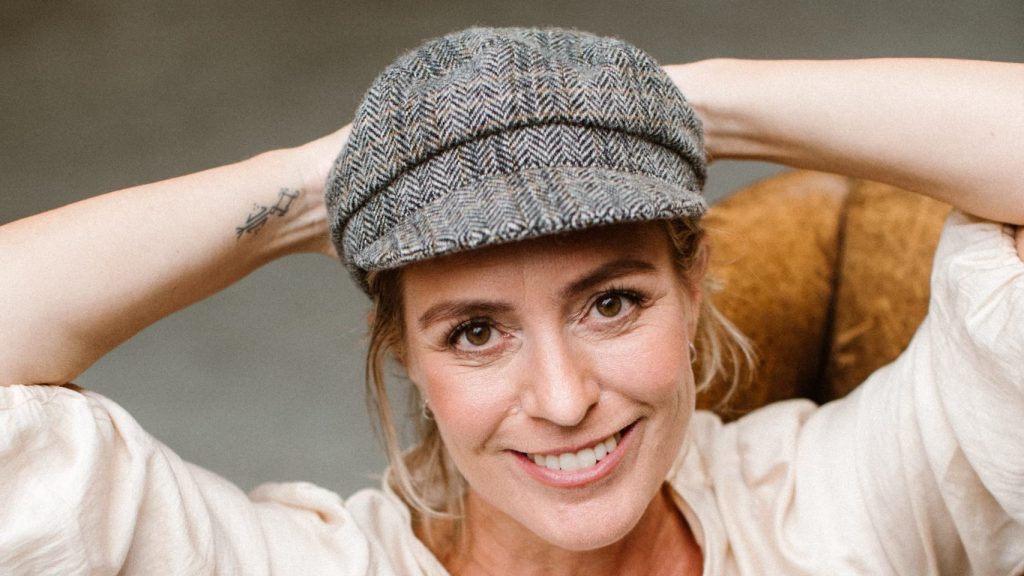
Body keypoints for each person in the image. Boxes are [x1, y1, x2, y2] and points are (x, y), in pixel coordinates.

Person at [1, 26, 1021, 575]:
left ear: (693, 284)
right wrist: (321, 183)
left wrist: (674, 104)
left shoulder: (830, 508)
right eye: (477, 331)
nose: (564, 399)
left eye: (611, 304)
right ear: (404, 354)